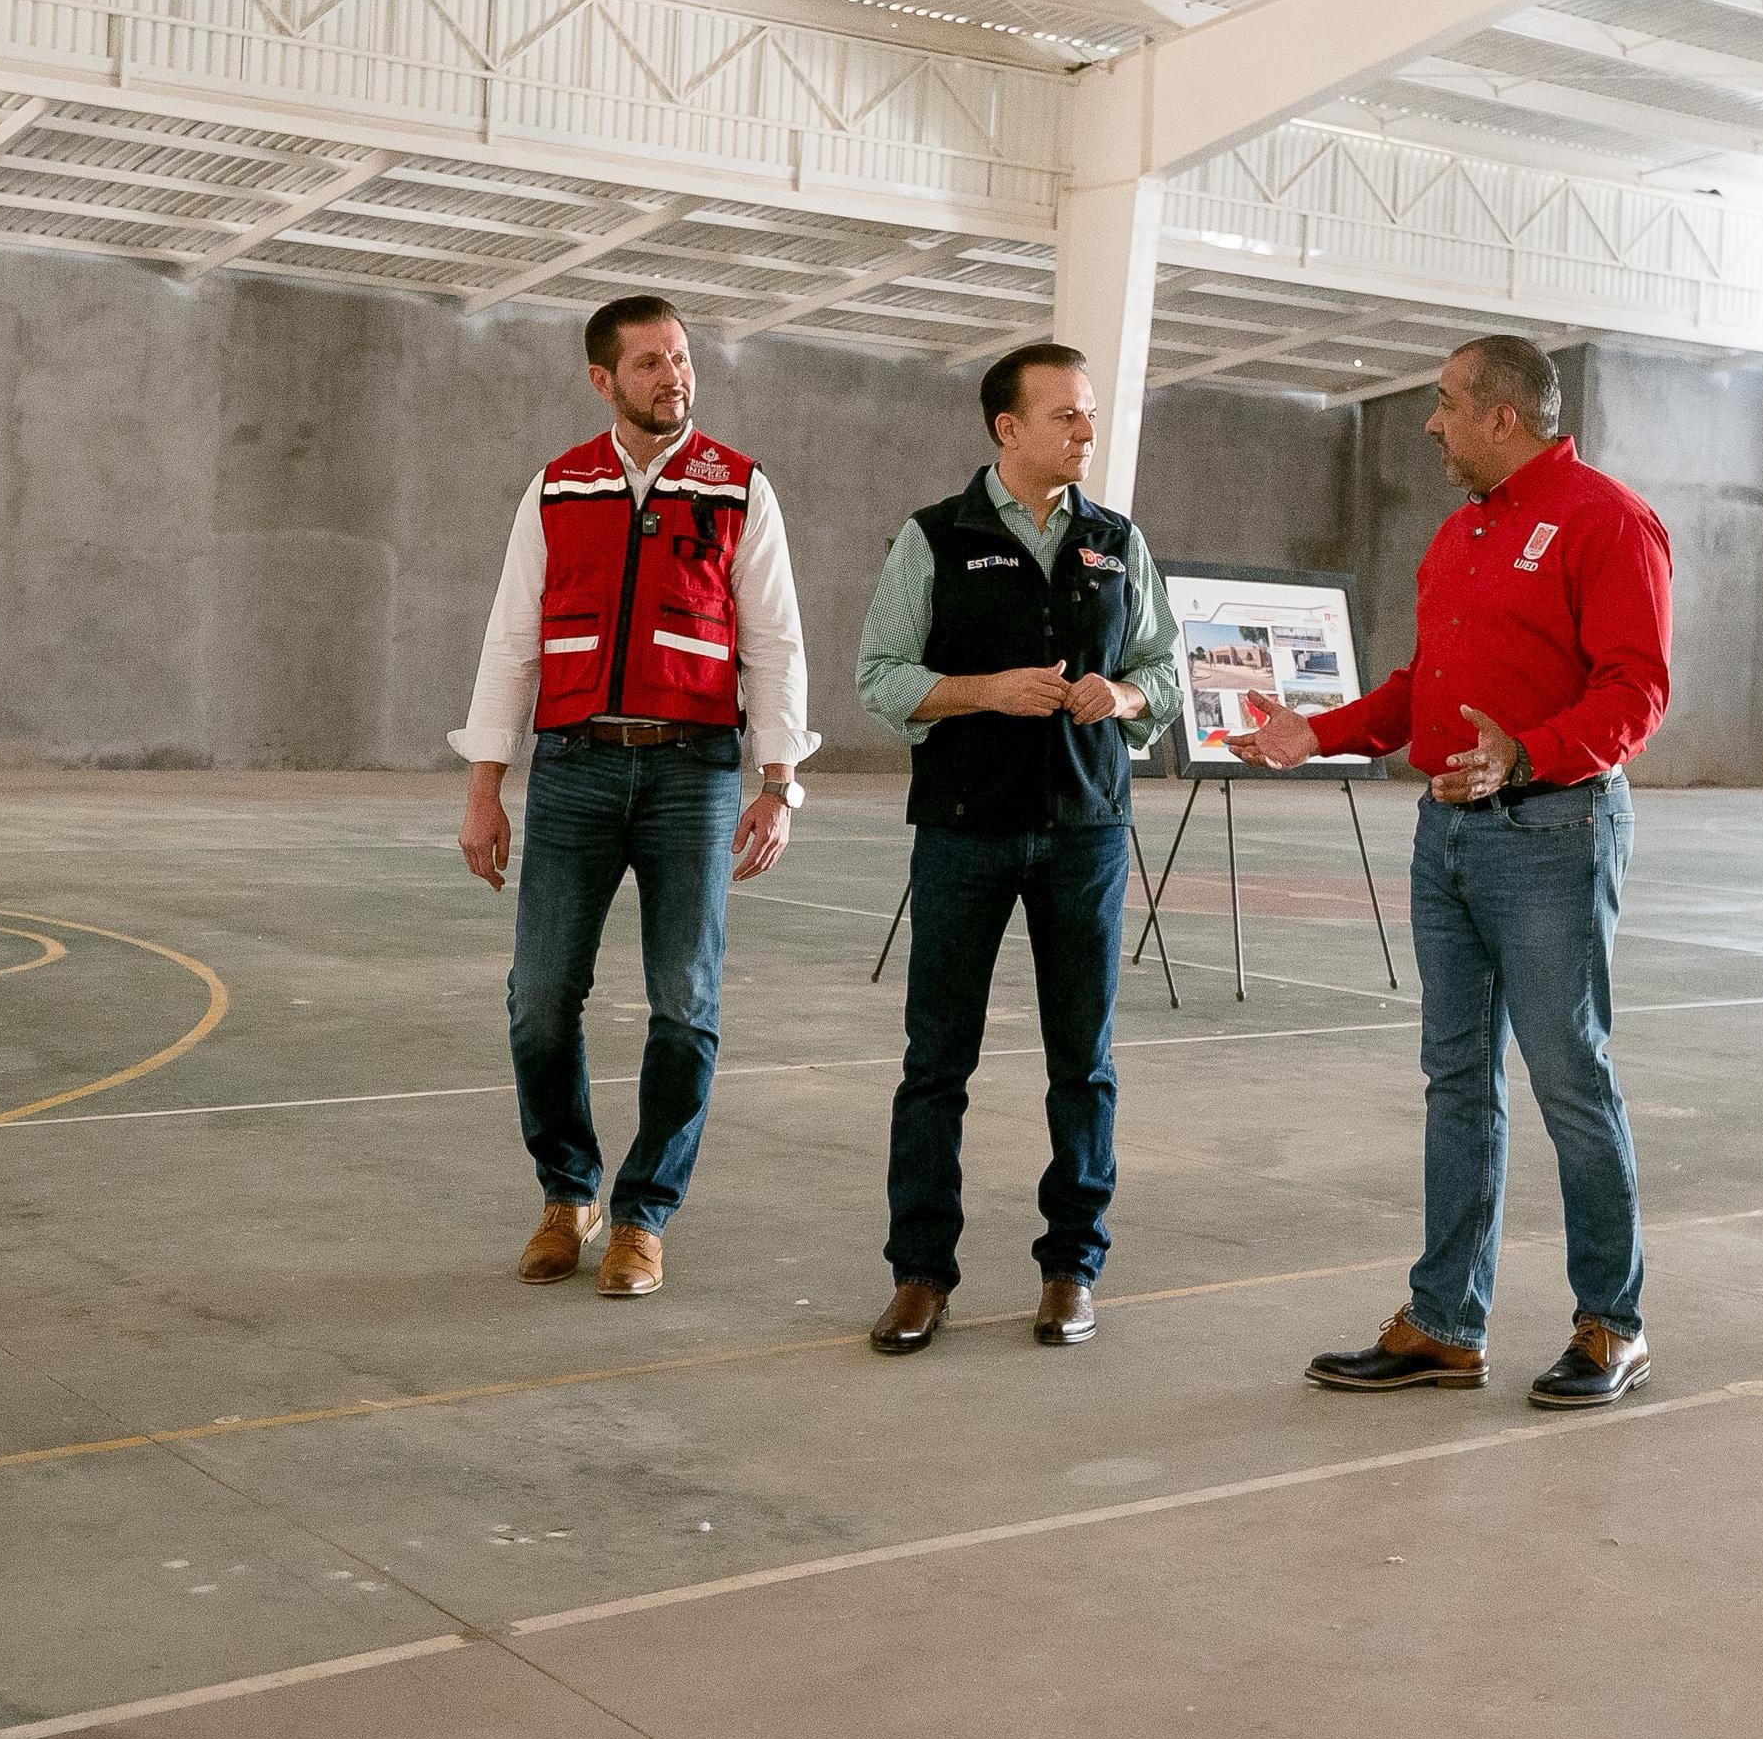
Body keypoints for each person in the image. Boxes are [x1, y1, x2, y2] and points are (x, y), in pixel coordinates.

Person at [1232, 334, 1673, 1410]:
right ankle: (1443, 1323)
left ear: (1500, 414)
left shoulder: (1606, 519)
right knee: (1456, 1080)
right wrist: (1318, 731)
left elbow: (1636, 689)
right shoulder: (1460, 533)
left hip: (1552, 832)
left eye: (1441, 402)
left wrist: (1529, 751)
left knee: (1570, 1078)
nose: (1428, 422)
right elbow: (1421, 685)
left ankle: (1610, 1322)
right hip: (1449, 837)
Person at [453, 293, 808, 1300]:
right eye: (650, 361)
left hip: (693, 774)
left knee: (684, 1003)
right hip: (570, 768)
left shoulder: (739, 487)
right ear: (602, 378)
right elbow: (512, 643)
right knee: (537, 1001)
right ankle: (569, 1193)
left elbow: (775, 641)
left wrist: (778, 781)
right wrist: (485, 787)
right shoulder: (557, 488)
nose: (674, 376)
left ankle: (644, 1211)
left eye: (683, 357)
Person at [852, 341, 1182, 1356]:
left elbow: (1161, 671)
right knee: (934, 1062)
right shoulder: (932, 537)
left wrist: (1119, 695)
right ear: (1008, 429)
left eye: (1087, 415)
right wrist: (986, 689)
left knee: (1081, 1061)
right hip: (962, 831)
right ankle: (919, 1272)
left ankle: (1069, 1266)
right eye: (1068, 416)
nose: (1086, 431)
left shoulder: (1116, 540)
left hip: (1084, 835)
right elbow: (879, 674)